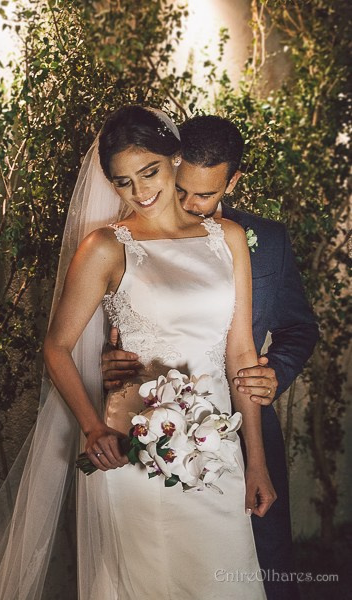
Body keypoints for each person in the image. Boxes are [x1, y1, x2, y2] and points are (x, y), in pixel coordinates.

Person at [0, 106, 273, 599]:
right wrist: (93, 426)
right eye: (122, 182)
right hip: (138, 448)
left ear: (175, 158)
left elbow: (241, 352)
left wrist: (256, 460)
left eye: (149, 172)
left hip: (217, 448)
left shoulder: (229, 239)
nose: (140, 192)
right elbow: (56, 347)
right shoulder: (106, 247)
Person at [101, 115, 318, 600]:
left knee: (261, 571)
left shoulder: (264, 242)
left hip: (247, 425)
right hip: (155, 428)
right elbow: (113, 322)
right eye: (181, 189)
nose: (189, 205)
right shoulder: (126, 241)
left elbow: (299, 327)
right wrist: (107, 360)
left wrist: (273, 374)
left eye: (205, 195)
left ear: (232, 182)